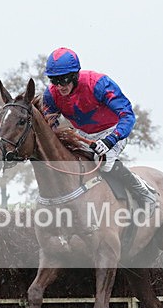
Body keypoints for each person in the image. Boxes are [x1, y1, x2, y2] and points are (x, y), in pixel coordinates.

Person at [42, 47, 157, 211]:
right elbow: (50, 125)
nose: (60, 86)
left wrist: (111, 139)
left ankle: (141, 189)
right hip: (83, 134)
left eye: (64, 79)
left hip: (113, 129)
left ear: (75, 75)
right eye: (55, 80)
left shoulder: (98, 84)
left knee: (103, 161)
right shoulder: (51, 95)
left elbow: (128, 116)